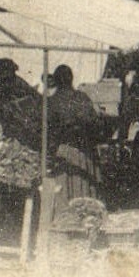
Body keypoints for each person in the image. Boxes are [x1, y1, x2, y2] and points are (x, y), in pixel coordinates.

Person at [45, 64, 101, 202]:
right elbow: (94, 121)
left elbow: (49, 128)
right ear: (71, 79)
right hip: (84, 149)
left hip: (63, 150)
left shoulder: (51, 101)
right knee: (83, 186)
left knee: (65, 187)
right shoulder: (82, 97)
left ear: (56, 81)